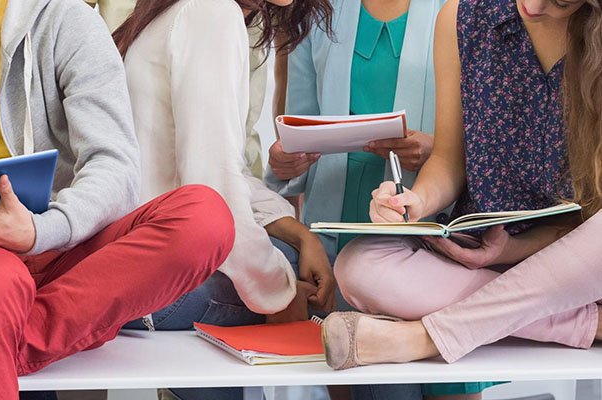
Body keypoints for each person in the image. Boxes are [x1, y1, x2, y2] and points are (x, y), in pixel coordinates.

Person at [0, 0, 235, 399]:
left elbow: (115, 168)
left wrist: (39, 229)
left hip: (58, 244)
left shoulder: (66, 22)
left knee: (204, 216)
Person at [322, 0, 602, 374]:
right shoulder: (461, 17)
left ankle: (423, 338)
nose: (533, 7)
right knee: (358, 266)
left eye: (561, 1)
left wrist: (515, 249)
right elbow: (448, 160)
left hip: (577, 262)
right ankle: (588, 324)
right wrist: (415, 201)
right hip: (476, 257)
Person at [265, 0, 500, 397]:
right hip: (338, 225)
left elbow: (494, 132)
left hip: (433, 223)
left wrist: (438, 149)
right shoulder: (315, 11)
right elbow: (296, 124)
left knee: (450, 376)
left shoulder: (464, 10)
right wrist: (284, 162)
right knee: (350, 368)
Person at [114, 0, 339, 399]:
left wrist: (302, 235)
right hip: (160, 290)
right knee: (314, 278)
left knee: (291, 257)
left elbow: (221, 169)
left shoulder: (178, 12)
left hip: (135, 276)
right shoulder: (212, 14)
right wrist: (279, 295)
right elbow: (210, 187)